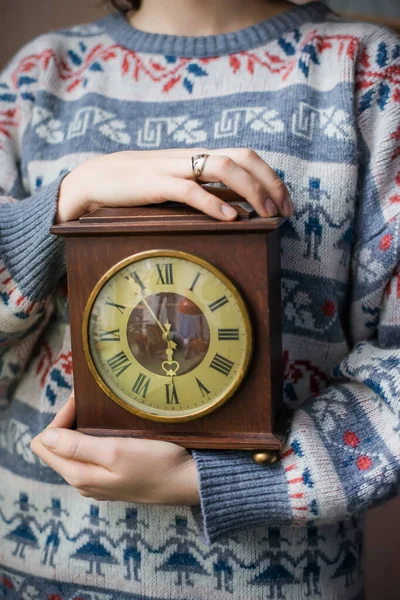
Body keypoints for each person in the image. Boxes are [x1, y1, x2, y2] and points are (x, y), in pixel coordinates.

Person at [0, 0, 399, 598]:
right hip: (32, 568)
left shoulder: (367, 72)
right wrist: (63, 202)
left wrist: (225, 479)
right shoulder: (41, 76)